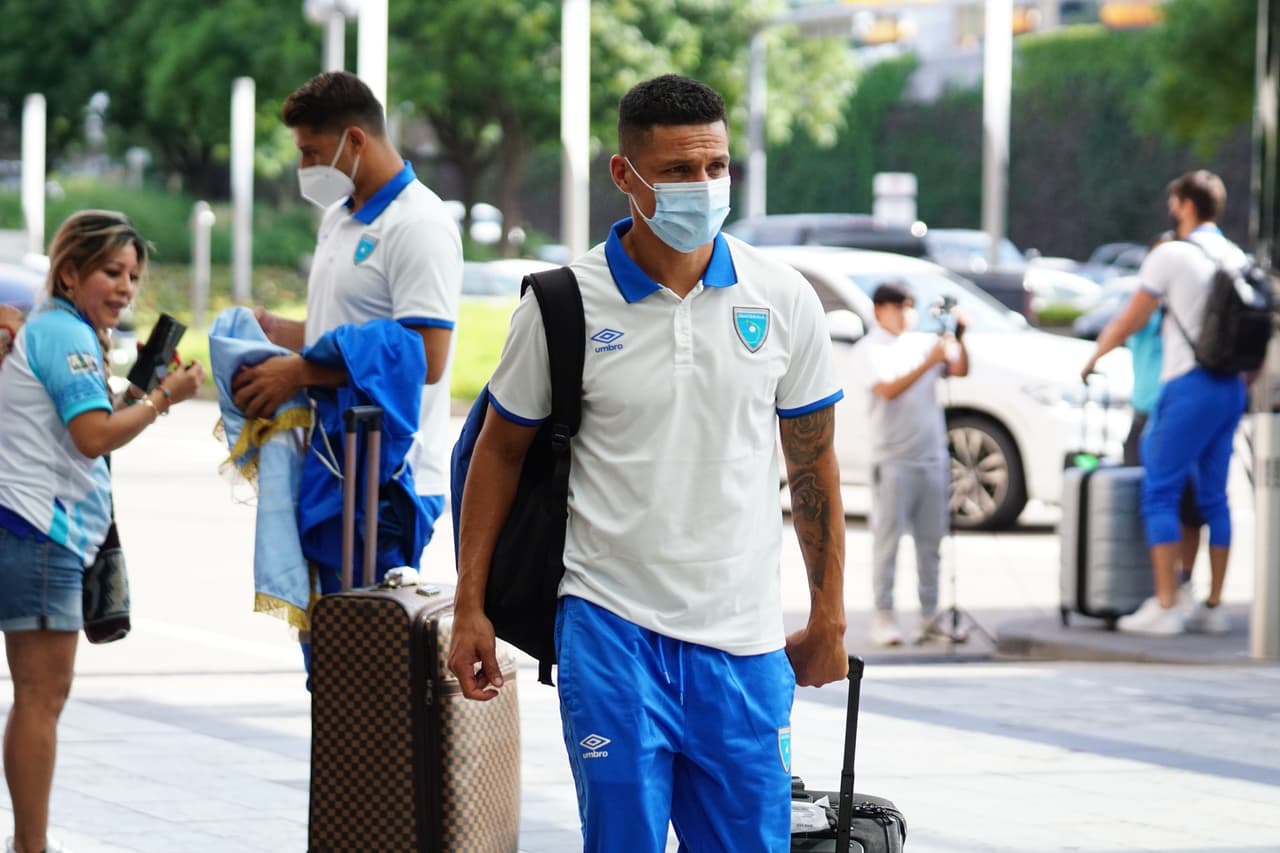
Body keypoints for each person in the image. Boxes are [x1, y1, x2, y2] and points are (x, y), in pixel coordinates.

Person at [447, 74, 848, 851]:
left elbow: (813, 461)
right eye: (677, 170)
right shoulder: (565, 303)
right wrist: (471, 606)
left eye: (716, 167)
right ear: (624, 175)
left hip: (745, 642)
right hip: (610, 628)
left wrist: (828, 613)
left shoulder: (783, 297)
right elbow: (497, 453)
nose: (703, 186)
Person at [230, 72, 462, 645]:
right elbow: (340, 332)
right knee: (330, 661)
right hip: (332, 464)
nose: (305, 166)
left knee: (368, 664)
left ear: (354, 140)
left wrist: (303, 371)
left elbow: (426, 356)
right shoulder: (340, 216)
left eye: (312, 151)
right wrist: (275, 333)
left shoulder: (418, 224)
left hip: (388, 476)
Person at [0, 211, 205, 853]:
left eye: (134, 277)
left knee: (38, 695)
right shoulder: (65, 334)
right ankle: (31, 844)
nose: (125, 288)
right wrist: (163, 399)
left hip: (34, 529)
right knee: (41, 696)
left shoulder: (60, 330)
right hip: (40, 532)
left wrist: (139, 393)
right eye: (111, 272)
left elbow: (84, 421)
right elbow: (91, 439)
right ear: (69, 272)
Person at [1082, 170, 1248, 636]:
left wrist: (1095, 353)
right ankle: (1213, 606)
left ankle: (1166, 603)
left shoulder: (1172, 254)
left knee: (1160, 492)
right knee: (1216, 497)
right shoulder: (1234, 255)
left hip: (1188, 384)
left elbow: (1130, 317)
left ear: (1185, 205)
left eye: (1174, 202)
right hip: (1230, 385)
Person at [851, 282, 969, 646]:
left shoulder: (922, 343)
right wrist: (928, 362)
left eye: (909, 306)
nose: (905, 314)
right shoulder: (869, 348)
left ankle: (930, 615)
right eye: (897, 307)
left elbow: (959, 369)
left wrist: (959, 335)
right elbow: (887, 389)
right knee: (888, 543)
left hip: (931, 457)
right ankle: (884, 616)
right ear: (878, 310)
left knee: (931, 542)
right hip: (893, 459)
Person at [1120, 231, 1202, 592]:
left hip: (1179, 416)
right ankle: (1148, 582)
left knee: (1189, 506)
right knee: (1143, 503)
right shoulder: (1145, 310)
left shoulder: (1190, 310)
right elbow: (1127, 327)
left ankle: (1181, 583)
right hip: (1146, 415)